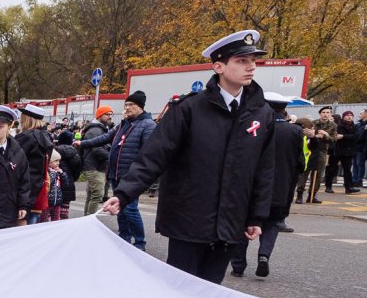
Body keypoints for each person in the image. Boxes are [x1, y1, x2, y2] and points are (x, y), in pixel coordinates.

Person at [102, 30, 276, 284]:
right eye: (242, 61)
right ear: (219, 66)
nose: (251, 67)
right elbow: (154, 156)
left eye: (253, 61)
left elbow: (263, 170)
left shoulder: (262, 113)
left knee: (210, 293)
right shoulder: (189, 109)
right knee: (178, 292)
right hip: (189, 220)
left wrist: (256, 217)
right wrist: (124, 193)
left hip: (231, 222)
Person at [231, 91, 306, 278]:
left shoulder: (254, 127)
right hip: (280, 187)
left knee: (242, 224)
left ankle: (238, 265)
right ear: (284, 109)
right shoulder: (295, 131)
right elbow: (300, 163)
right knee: (272, 224)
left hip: (251, 187)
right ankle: (263, 256)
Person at [80, 91, 156, 249]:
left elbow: (148, 152)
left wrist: (139, 173)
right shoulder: (123, 124)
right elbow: (105, 138)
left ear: (140, 107)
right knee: (119, 208)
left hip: (131, 176)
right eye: (126, 105)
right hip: (116, 173)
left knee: (130, 209)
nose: (127, 108)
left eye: (131, 105)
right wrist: (83, 143)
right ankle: (124, 237)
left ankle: (140, 242)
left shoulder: (148, 125)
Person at [15, 104, 53, 225]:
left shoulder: (26, 137)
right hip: (38, 186)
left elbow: (15, 161)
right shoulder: (46, 136)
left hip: (24, 188)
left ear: (27, 118)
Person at [77, 106, 113, 216]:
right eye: (107, 114)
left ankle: (87, 217)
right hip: (93, 166)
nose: (110, 117)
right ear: (100, 115)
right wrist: (111, 156)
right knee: (97, 194)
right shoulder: (95, 130)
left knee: (92, 194)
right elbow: (96, 149)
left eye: (111, 114)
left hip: (97, 166)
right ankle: (90, 219)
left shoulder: (100, 129)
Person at [300, 105, 336, 203]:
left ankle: (312, 195)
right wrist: (314, 135)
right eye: (324, 112)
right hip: (310, 150)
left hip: (322, 151)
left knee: (318, 175)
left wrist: (326, 135)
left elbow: (333, 140)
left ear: (330, 114)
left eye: (328, 113)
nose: (325, 114)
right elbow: (305, 135)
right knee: (305, 172)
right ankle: (300, 194)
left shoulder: (333, 125)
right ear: (320, 113)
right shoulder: (313, 123)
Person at [326, 110, 360, 194]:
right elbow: (333, 135)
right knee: (332, 168)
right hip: (337, 150)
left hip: (348, 151)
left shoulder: (354, 126)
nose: (349, 117)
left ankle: (349, 187)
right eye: (347, 115)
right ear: (343, 116)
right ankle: (328, 186)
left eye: (351, 115)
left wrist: (343, 136)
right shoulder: (338, 125)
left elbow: (356, 136)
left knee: (347, 169)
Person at [39, 152, 72, 222]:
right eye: (55, 161)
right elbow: (49, 183)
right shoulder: (47, 172)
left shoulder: (59, 172)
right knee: (44, 220)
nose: (58, 163)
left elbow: (66, 184)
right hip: (47, 202)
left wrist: (62, 174)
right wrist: (53, 173)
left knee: (56, 220)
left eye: (59, 161)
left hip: (57, 202)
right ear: (49, 162)